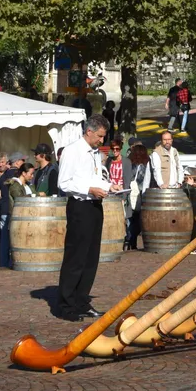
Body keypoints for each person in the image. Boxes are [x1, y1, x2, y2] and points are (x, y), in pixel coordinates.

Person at [56, 114, 120, 321]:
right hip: (79, 206)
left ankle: (82, 300)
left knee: (91, 257)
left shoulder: (94, 152)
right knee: (76, 256)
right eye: (100, 136)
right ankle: (67, 304)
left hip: (94, 205)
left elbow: (93, 176)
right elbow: (64, 183)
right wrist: (90, 189)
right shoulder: (72, 151)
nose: (102, 141)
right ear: (89, 131)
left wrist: (108, 186)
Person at [124, 144, 152, 250]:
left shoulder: (130, 163)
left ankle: (128, 240)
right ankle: (133, 241)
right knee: (139, 219)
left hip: (131, 192)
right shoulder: (146, 164)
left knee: (130, 218)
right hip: (141, 193)